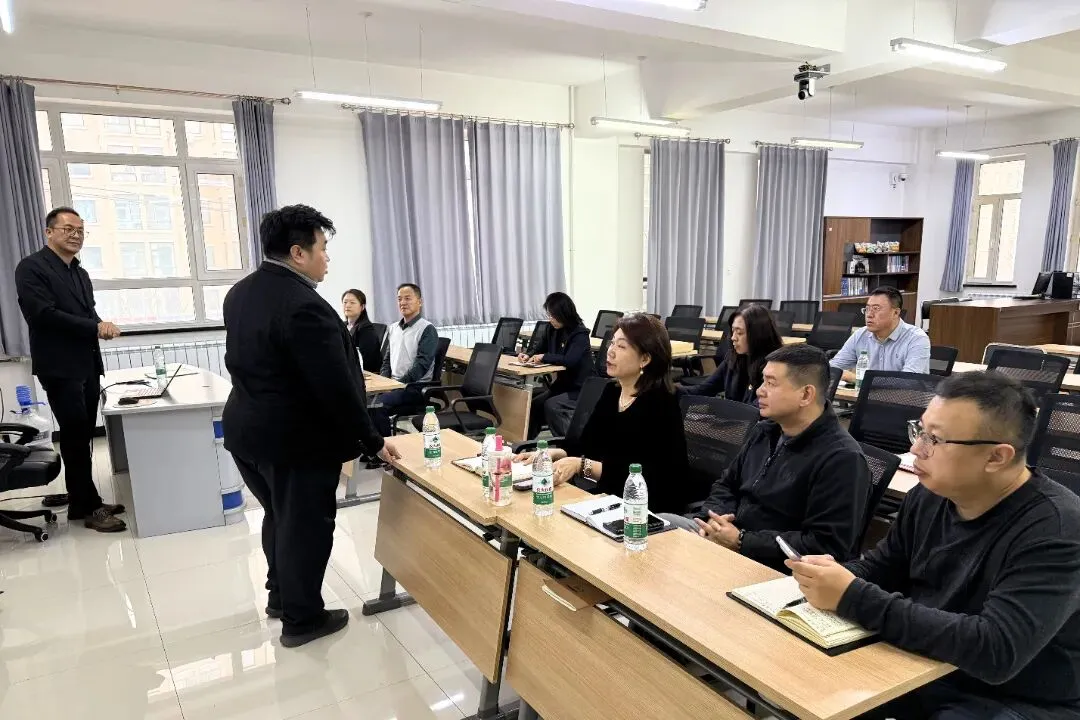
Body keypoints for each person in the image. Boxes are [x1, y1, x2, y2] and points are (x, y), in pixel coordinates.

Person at [789, 372, 1080, 720]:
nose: (916, 449)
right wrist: (827, 577)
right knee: (806, 682)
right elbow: (883, 567)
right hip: (931, 665)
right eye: (920, 431)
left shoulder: (1056, 528)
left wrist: (852, 595)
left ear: (996, 457)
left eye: (935, 440)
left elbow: (996, 650)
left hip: (1016, 697)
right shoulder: (929, 494)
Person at [222, 204, 401, 648]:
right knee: (305, 527)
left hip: (248, 433)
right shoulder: (304, 306)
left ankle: (281, 597)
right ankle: (302, 619)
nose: (327, 258)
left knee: (279, 516)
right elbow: (335, 387)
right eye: (322, 248)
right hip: (294, 441)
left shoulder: (240, 292)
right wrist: (373, 440)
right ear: (298, 253)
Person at [662, 344, 871, 571]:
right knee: (656, 525)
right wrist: (714, 519)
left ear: (806, 394)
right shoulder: (765, 431)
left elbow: (824, 544)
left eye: (771, 383)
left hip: (773, 566)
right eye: (763, 381)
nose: (759, 391)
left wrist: (742, 541)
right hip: (726, 538)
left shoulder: (842, 459)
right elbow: (726, 484)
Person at [14, 207, 126, 532]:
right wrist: (94, 327)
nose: (75, 235)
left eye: (80, 230)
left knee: (83, 436)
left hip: (86, 363)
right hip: (59, 366)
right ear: (49, 232)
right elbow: (43, 315)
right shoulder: (31, 268)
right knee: (75, 437)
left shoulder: (79, 272)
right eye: (68, 229)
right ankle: (89, 507)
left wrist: (101, 325)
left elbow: (88, 314)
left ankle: (82, 502)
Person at [515, 314, 689, 513]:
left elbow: (642, 475)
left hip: (646, 509)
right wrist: (552, 454)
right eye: (612, 343)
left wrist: (581, 465)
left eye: (621, 346)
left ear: (645, 358)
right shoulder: (611, 392)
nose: (610, 351)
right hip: (608, 498)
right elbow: (587, 445)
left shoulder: (661, 402)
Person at [519, 292, 595, 438]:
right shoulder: (551, 329)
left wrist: (545, 357)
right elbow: (540, 347)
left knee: (552, 405)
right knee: (535, 404)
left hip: (581, 387)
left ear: (564, 314)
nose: (551, 319)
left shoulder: (580, 333)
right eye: (549, 315)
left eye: (553, 316)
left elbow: (570, 360)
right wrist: (528, 355)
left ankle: (570, 445)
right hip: (563, 385)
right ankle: (526, 444)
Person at [369, 283, 440, 437]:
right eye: (399, 299)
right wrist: (384, 383)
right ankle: (371, 447)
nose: (402, 302)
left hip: (415, 387)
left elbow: (421, 365)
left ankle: (387, 448)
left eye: (407, 298)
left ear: (419, 302)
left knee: (377, 406)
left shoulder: (427, 329)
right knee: (362, 400)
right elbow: (387, 360)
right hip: (394, 384)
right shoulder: (393, 328)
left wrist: (397, 385)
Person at [677, 304, 783, 404]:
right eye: (733, 331)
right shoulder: (733, 359)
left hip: (748, 417)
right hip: (734, 416)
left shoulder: (774, 368)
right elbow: (703, 389)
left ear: (758, 335)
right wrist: (670, 391)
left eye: (739, 333)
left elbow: (758, 410)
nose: (733, 338)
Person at [830, 286, 930, 383]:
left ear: (895, 313)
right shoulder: (860, 335)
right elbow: (831, 369)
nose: (869, 315)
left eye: (876, 309)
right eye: (867, 309)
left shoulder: (916, 338)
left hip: (905, 394)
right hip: (866, 394)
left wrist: (855, 378)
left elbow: (907, 381)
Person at [342, 289, 383, 371]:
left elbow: (368, 359)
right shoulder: (342, 325)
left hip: (365, 372)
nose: (347, 305)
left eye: (352, 302)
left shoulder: (366, 329)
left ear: (362, 307)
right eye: (345, 302)